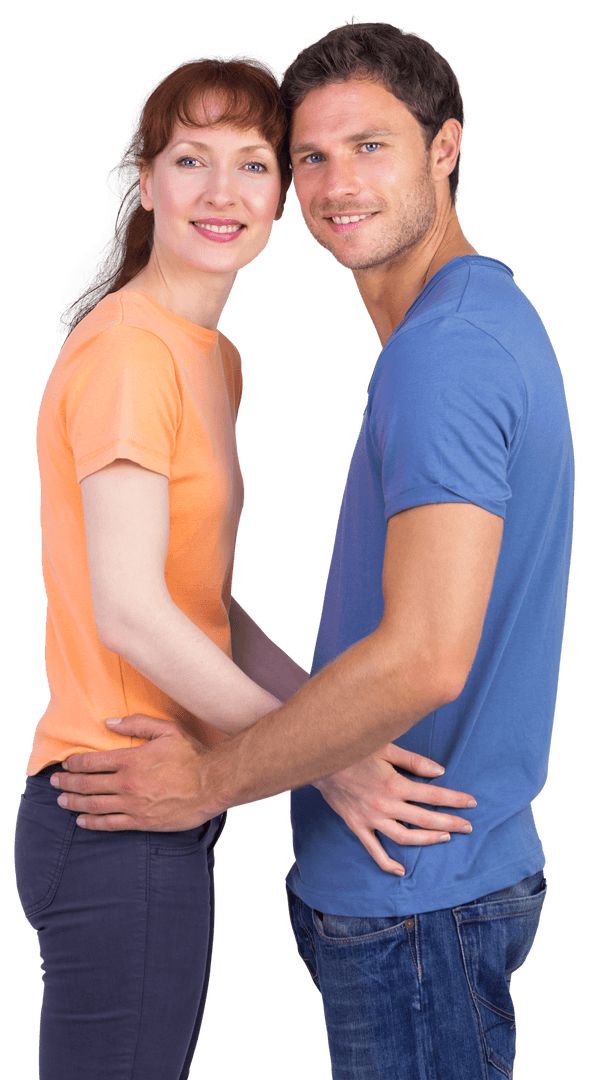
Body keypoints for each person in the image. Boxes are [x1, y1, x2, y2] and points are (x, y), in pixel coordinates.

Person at [48, 18, 574, 1080]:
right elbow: (156, 603)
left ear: (446, 149)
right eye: (311, 156)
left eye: (370, 146)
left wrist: (216, 782)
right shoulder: (454, 331)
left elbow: (424, 655)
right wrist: (317, 762)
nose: (336, 181)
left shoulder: (443, 355)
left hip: (416, 891)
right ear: (143, 181)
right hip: (382, 874)